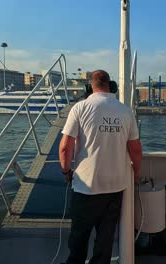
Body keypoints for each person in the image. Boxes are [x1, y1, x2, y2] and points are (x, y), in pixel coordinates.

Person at [59, 70, 142, 264]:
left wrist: (66, 172)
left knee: (79, 238)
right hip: (114, 188)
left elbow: (65, 148)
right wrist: (136, 173)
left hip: (85, 187)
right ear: (110, 86)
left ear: (90, 87)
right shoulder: (125, 111)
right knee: (104, 241)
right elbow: (136, 150)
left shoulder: (80, 108)